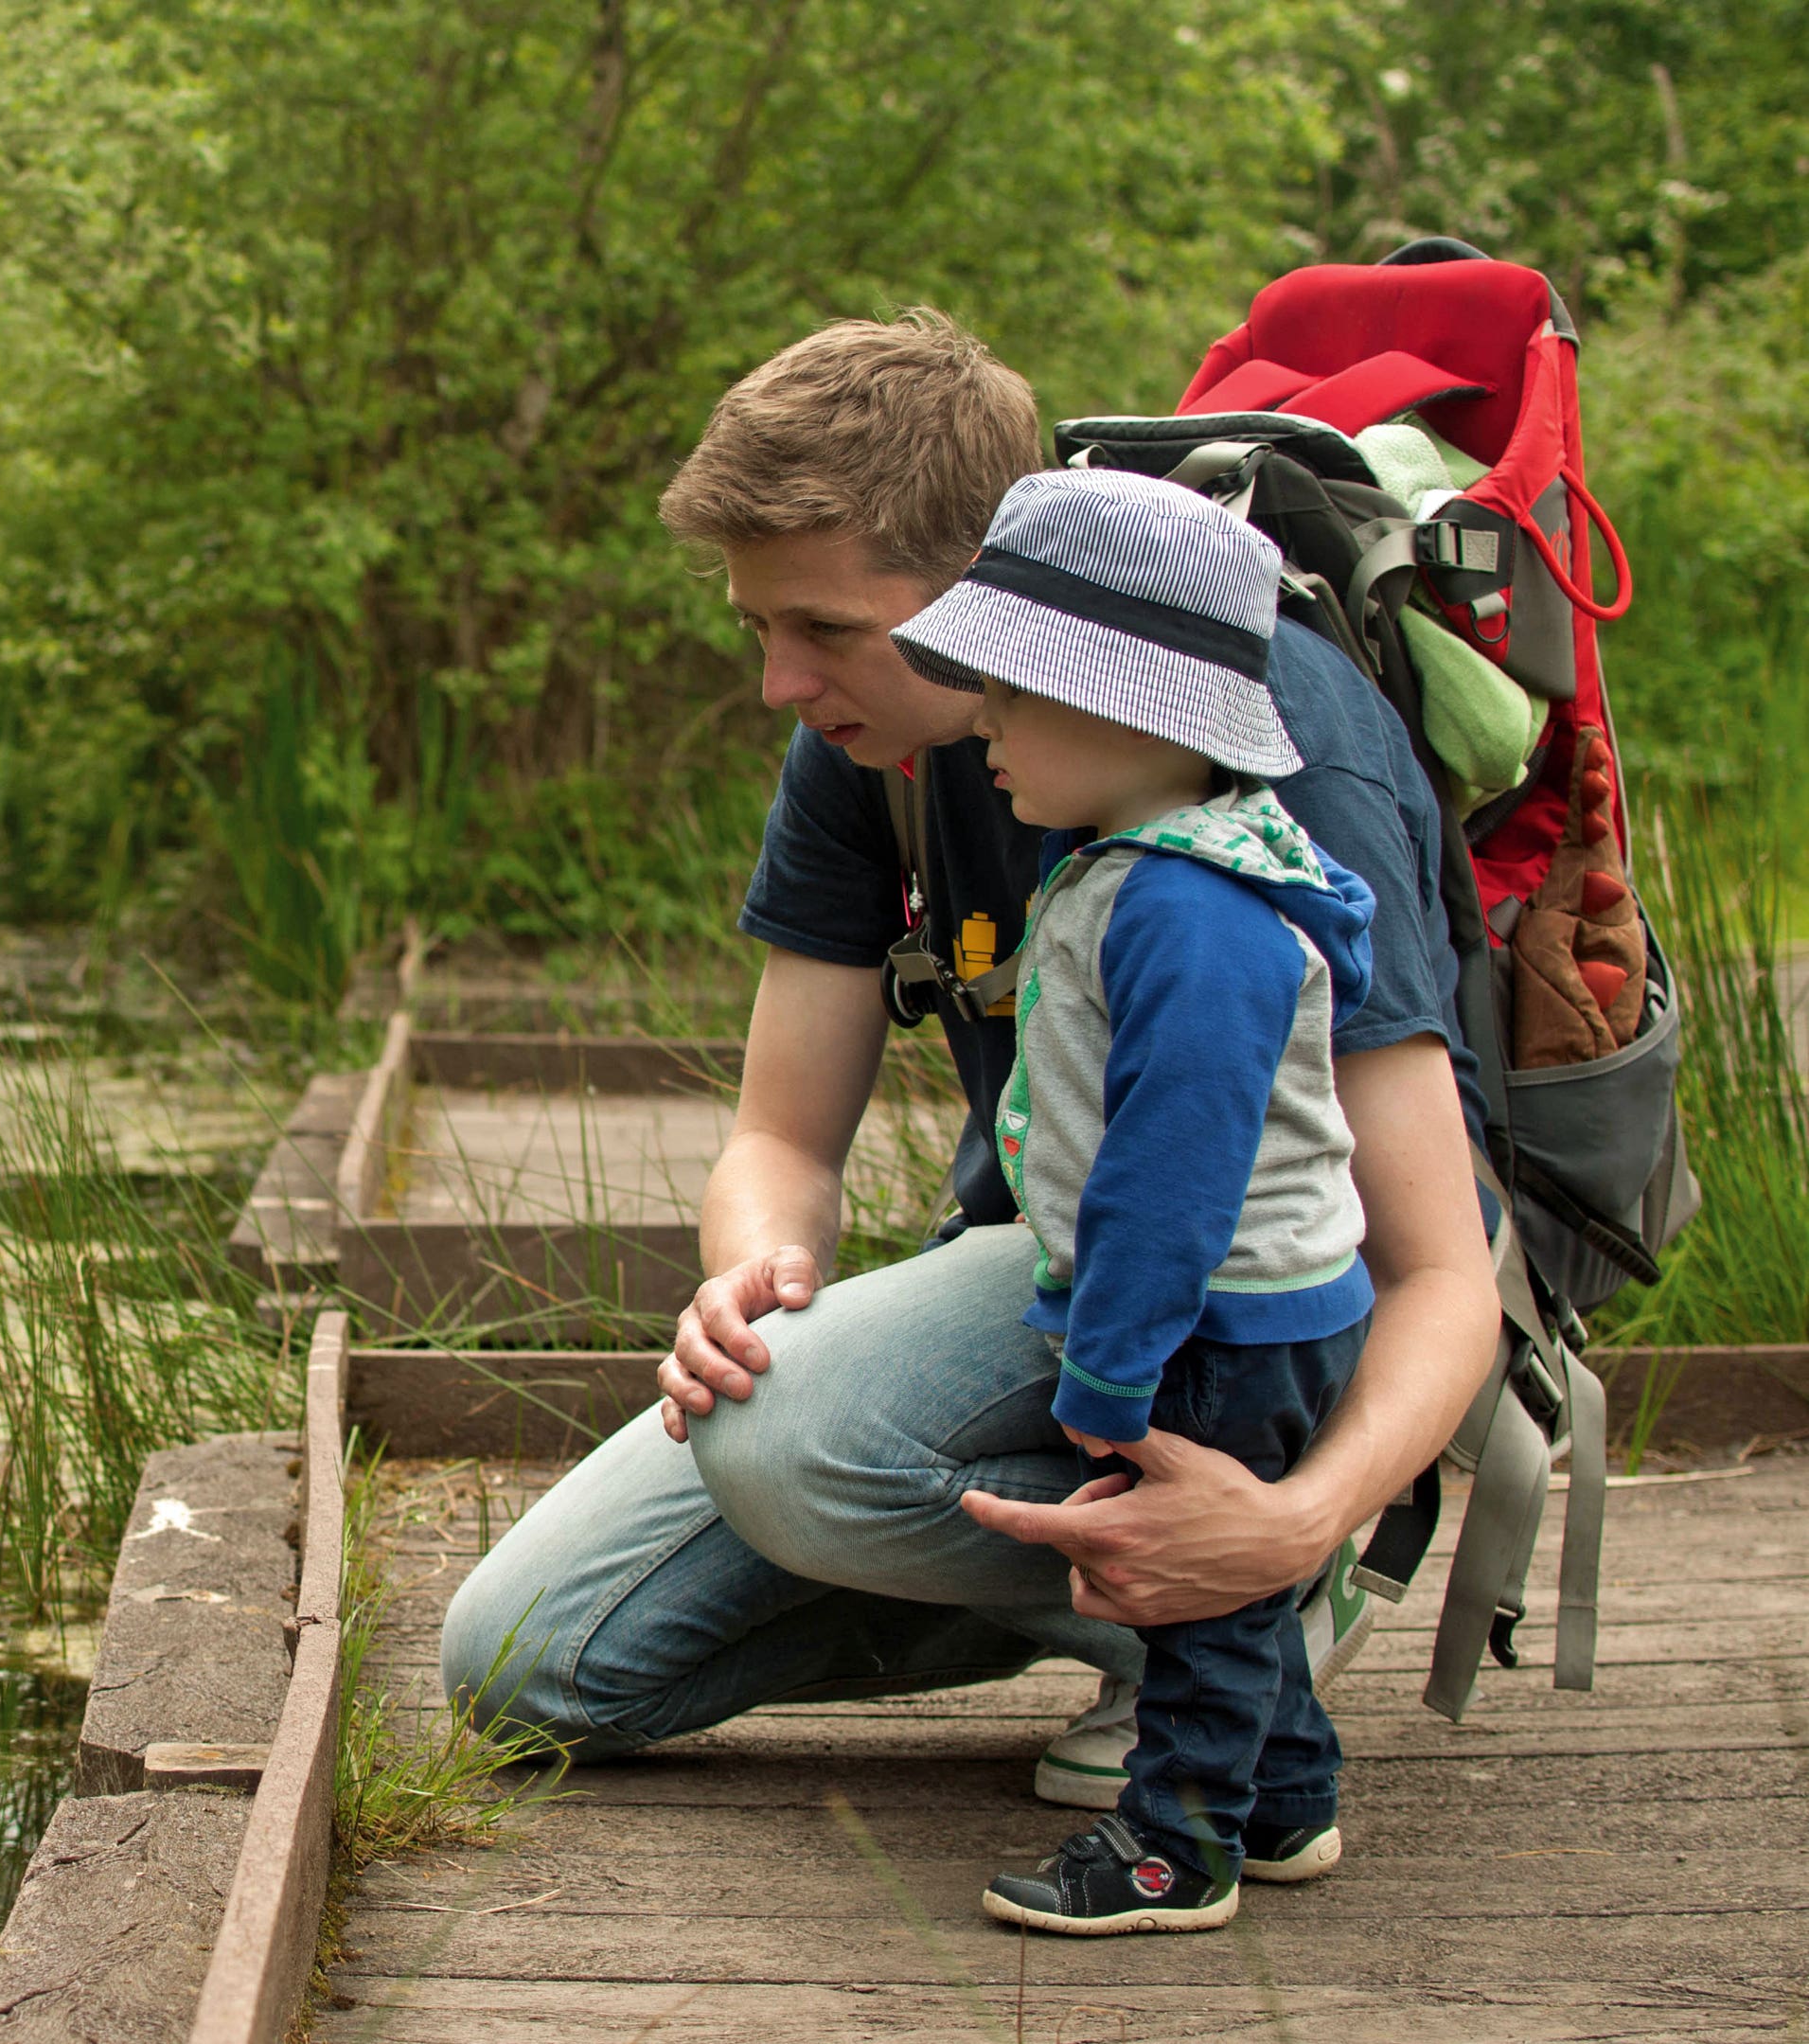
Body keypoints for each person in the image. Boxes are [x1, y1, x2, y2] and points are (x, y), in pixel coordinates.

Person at [437, 312, 1499, 1824]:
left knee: (797, 1444)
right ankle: (1125, 1594)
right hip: (1062, 1266)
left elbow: (1442, 1270)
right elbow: (783, 1141)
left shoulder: (1266, 747)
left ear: (989, 589)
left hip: (1279, 1320)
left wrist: (1296, 1519)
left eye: (821, 628)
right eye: (757, 630)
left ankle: (1252, 1608)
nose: (778, 683)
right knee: (524, 1665)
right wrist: (753, 1286)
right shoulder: (868, 748)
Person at [886, 469, 1376, 1933]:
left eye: (1012, 696)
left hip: (1222, 1311)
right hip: (1231, 1302)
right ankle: (1284, 1804)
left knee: (1192, 1587)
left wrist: (1112, 1362)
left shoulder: (1189, 910)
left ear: (1134, 712)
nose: (979, 725)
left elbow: (1174, 1172)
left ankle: (1175, 1847)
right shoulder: (1126, 866)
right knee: (1223, 1584)